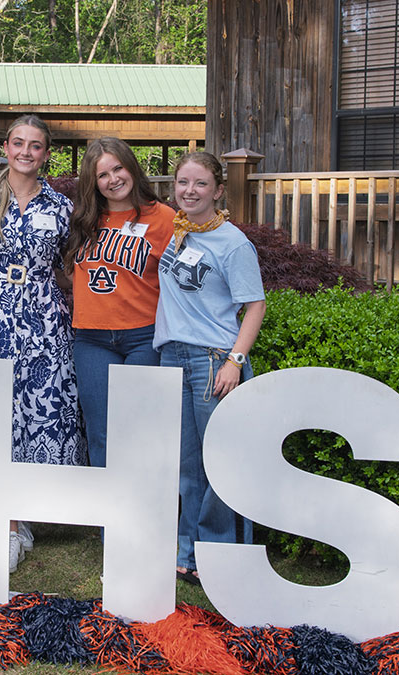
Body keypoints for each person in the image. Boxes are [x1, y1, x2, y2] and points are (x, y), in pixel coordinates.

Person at [0, 115, 87, 572]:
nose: (26, 152)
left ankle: (24, 510)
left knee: (40, 409)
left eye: (36, 146)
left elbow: (71, 263)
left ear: (46, 153)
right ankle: (6, 522)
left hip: (43, 315)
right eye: (19, 143)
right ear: (6, 146)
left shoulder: (60, 206)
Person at [154, 151, 266, 586]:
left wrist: (235, 361)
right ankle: (188, 551)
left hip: (213, 360)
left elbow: (254, 305)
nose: (190, 191)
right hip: (172, 357)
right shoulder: (177, 231)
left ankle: (220, 553)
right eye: (183, 182)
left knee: (219, 462)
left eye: (200, 184)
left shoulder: (233, 242)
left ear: (218, 190)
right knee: (185, 465)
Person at [66, 137, 175, 469]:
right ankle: (107, 520)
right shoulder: (84, 218)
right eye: (103, 175)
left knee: (139, 430)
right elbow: (71, 271)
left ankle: (143, 515)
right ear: (93, 182)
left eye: (118, 168)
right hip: (92, 339)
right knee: (101, 433)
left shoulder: (165, 218)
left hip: (143, 337)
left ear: (132, 167)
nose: (113, 179)